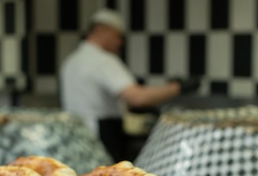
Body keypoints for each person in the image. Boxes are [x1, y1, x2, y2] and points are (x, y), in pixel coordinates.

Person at [60, 8, 200, 161]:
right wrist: (177, 88)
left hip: (73, 137)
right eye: (118, 36)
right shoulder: (102, 60)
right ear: (101, 30)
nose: (120, 42)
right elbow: (136, 97)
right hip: (101, 136)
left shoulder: (72, 60)